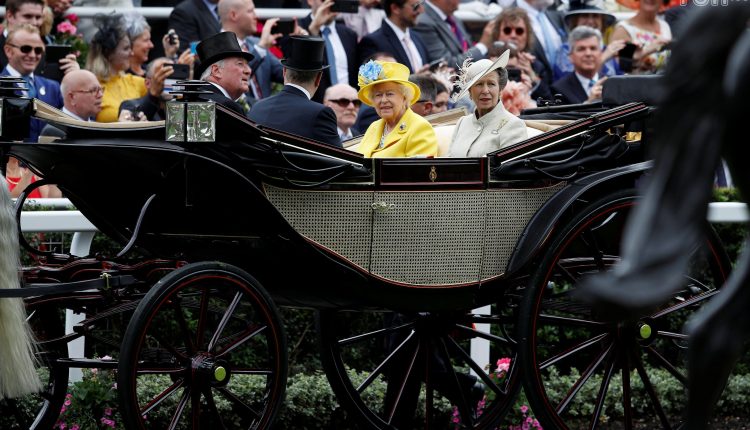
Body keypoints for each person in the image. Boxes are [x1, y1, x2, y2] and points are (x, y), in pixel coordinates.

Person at [249, 36, 342, 147]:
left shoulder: (257, 107)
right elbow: (342, 161)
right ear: (318, 78)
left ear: (284, 71)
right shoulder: (320, 114)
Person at [449, 51, 528, 157]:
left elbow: (508, 171)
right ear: (470, 92)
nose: (485, 90)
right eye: (479, 84)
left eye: (491, 84)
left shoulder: (514, 125)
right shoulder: (462, 123)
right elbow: (448, 162)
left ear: (500, 90)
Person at [356, 60, 437, 158]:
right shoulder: (374, 127)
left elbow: (419, 171)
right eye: (378, 95)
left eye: (390, 94)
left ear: (404, 97)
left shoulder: (420, 127)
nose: (383, 100)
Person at [1, 24, 64, 142]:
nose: (33, 55)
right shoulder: (1, 85)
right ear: (8, 51)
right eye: (26, 49)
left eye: (38, 50)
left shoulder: (53, 87)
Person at [218, 0, 285, 100]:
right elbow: (236, 79)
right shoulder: (215, 48)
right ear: (233, 15)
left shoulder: (256, 43)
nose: (255, 16)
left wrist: (298, 45)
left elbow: (284, 74)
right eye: (250, 11)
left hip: (265, 112)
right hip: (235, 114)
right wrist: (260, 48)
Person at [86, 14, 147, 122]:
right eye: (126, 48)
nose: (131, 53)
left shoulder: (138, 82)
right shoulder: (91, 89)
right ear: (109, 53)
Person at [298, 0, 360, 102]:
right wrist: (314, 30)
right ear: (310, 1)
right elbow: (299, 68)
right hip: (314, 104)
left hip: (348, 104)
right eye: (324, 0)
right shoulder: (297, 28)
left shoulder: (349, 34)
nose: (330, 4)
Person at [553, 0, 623, 80]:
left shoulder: (607, 50)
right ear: (575, 21)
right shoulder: (566, 50)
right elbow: (568, 81)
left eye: (595, 16)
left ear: (602, 22)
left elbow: (621, 80)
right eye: (585, 16)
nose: (590, 21)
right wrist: (604, 57)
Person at [491, 7, 551, 101]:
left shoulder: (536, 67)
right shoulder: (485, 62)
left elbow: (548, 102)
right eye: (507, 30)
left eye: (519, 31)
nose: (513, 35)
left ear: (527, 37)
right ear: (497, 34)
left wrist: (533, 77)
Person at [413, 0, 494, 69]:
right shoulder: (423, 22)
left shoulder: (451, 16)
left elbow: (467, 48)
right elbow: (447, 65)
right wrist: (483, 45)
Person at [357, 0, 429, 74]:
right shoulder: (373, 42)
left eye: (421, 4)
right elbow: (371, 81)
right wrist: (416, 79)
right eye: (415, 6)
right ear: (395, 8)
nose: (421, 10)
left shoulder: (417, 37)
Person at [195, 31, 254, 115]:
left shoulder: (195, 98)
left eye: (247, 65)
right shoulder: (226, 106)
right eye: (240, 64)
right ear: (216, 71)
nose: (248, 71)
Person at [122, 11, 192, 78]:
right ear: (129, 43)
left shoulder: (150, 71)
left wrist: (170, 55)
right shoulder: (121, 78)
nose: (151, 45)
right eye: (146, 40)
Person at [610, 0, 672, 74]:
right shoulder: (625, 29)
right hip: (634, 84)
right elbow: (620, 68)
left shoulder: (664, 26)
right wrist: (646, 51)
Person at [39, 69, 104, 139]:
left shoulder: (97, 127)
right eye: (93, 90)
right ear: (72, 97)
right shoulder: (54, 131)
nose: (100, 95)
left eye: (101, 89)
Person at [551, 26, 606, 104]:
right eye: (581, 49)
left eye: (593, 48)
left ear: (601, 54)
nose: (588, 54)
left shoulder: (611, 84)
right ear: (571, 57)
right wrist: (589, 103)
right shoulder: (559, 90)